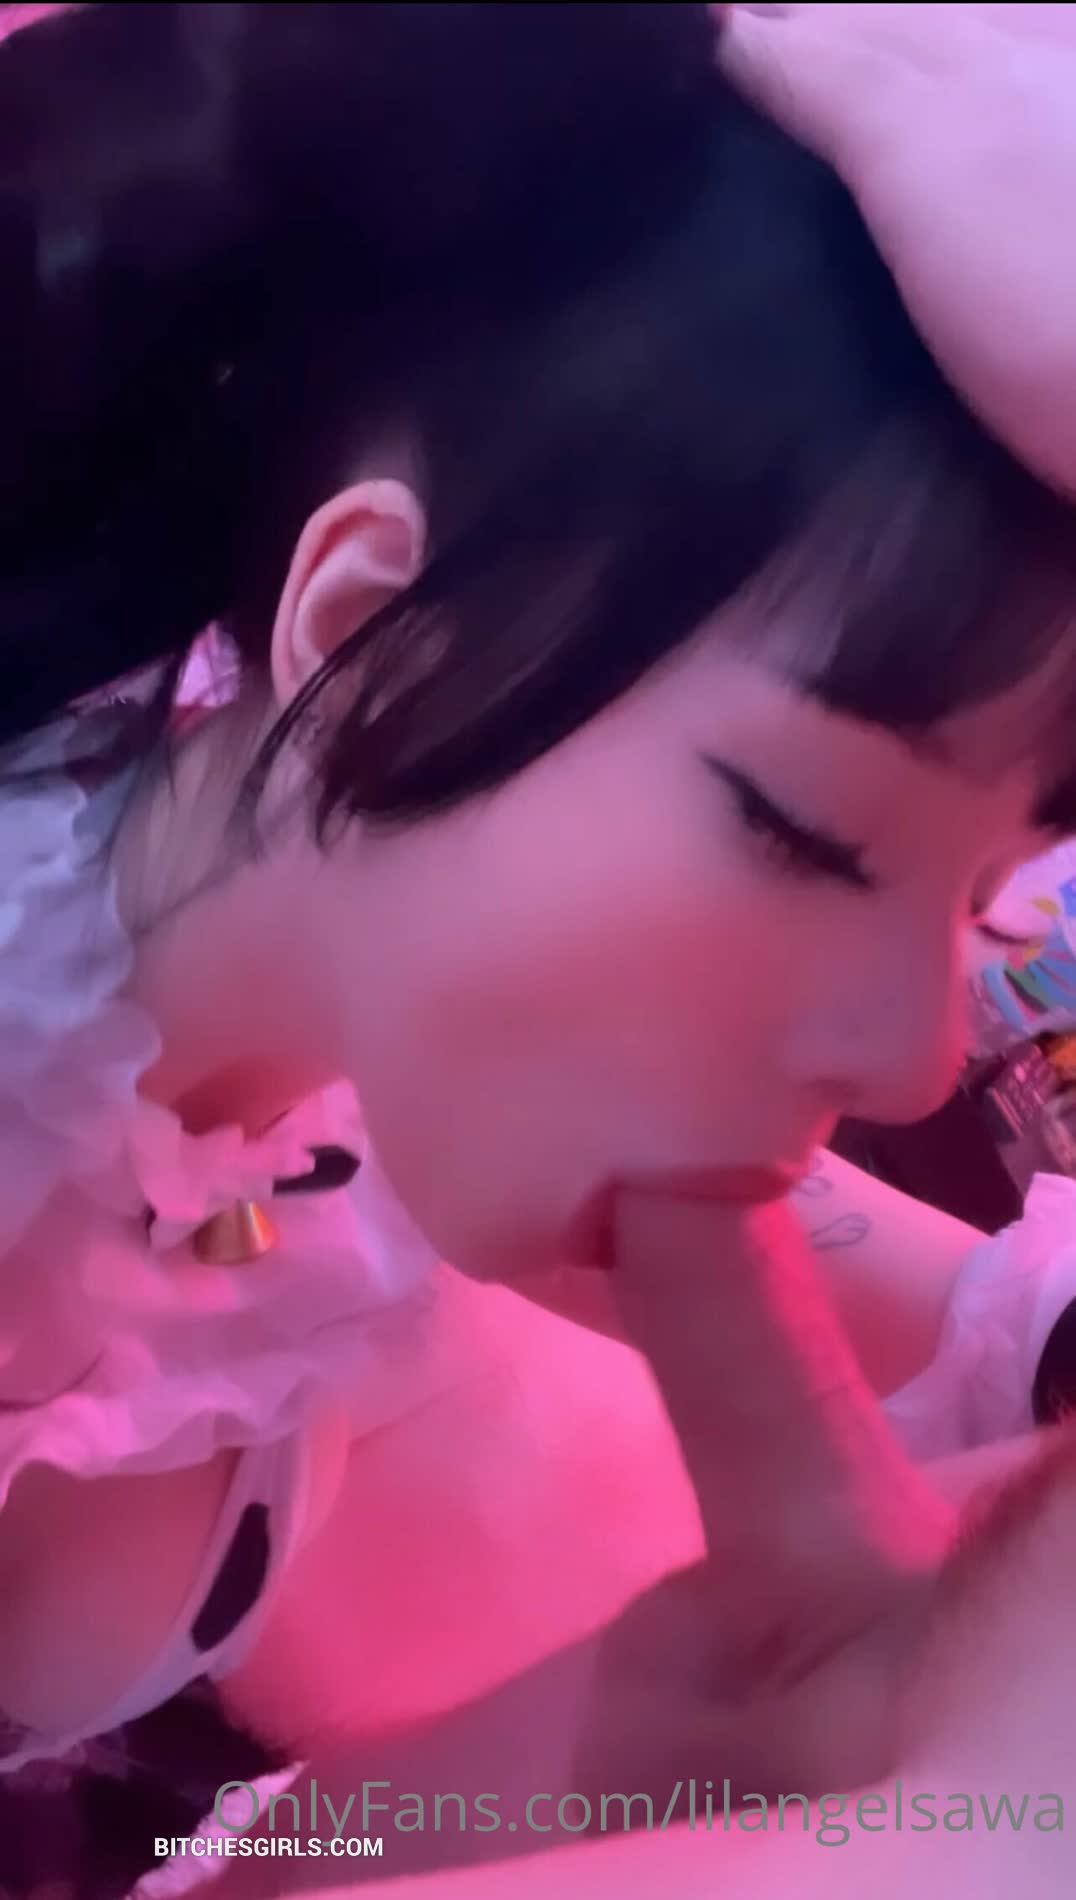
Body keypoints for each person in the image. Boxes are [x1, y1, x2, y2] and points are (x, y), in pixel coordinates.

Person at [4, 1, 1076, 1892]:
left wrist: (583, 1772)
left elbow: (1011, 1330)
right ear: (365, 626)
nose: (921, 1055)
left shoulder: (353, 1121)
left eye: (988, 888)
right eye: (807, 836)